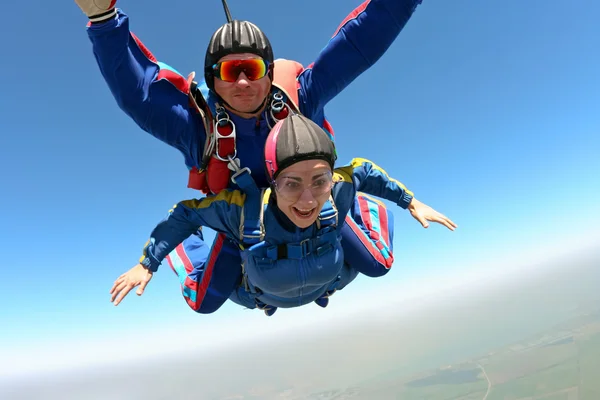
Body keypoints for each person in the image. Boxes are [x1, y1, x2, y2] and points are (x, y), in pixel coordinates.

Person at [74, 0, 426, 313]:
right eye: (229, 72)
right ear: (213, 81)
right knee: (204, 300)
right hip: (243, 227)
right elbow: (139, 95)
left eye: (252, 70)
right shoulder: (198, 128)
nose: (242, 83)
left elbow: (360, 43)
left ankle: (358, 206)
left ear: (269, 72)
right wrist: (104, 21)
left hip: (315, 208)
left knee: (378, 264)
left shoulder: (302, 99)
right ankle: (191, 243)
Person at [109, 114, 457, 316]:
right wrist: (148, 263)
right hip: (257, 273)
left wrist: (410, 201)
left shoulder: (338, 188)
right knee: (202, 302)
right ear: (273, 181)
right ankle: (198, 250)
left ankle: (352, 216)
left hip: (321, 268)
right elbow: (184, 214)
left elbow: (363, 171)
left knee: (379, 264)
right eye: (292, 184)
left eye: (319, 180)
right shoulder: (241, 210)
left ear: (331, 176)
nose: (307, 199)